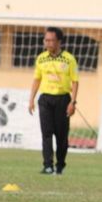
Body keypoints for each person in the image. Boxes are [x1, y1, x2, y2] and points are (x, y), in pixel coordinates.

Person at [28, 27, 79, 175]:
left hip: (63, 99)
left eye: (51, 40)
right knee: (46, 133)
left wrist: (73, 102)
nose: (48, 43)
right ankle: (47, 165)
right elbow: (37, 79)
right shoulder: (41, 58)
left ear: (59, 42)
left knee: (61, 136)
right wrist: (31, 99)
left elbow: (75, 81)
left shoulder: (69, 59)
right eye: (46, 40)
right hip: (45, 99)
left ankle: (60, 164)